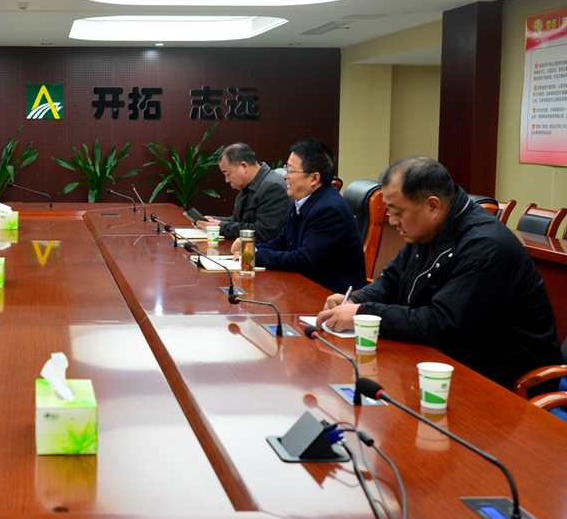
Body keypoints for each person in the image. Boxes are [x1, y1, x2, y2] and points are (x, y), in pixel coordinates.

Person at [316, 156, 561, 390]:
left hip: (508, 381)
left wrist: (364, 313)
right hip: (452, 361)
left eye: (398, 212)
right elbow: (391, 281)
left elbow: (443, 325)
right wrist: (355, 300)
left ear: (432, 205)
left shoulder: (485, 247)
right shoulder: (428, 230)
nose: (393, 221)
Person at [233, 138, 366, 293]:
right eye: (286, 169)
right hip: (305, 287)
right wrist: (248, 249)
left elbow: (305, 260)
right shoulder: (302, 201)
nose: (285, 176)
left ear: (314, 178)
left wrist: (256, 256)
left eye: (291, 171)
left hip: (328, 295)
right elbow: (282, 242)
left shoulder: (329, 210)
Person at [195, 143, 290, 242]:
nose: (227, 180)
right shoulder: (248, 185)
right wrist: (213, 221)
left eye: (228, 174)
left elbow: (263, 232)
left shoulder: (272, 187)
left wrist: (221, 227)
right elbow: (239, 221)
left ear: (244, 166)